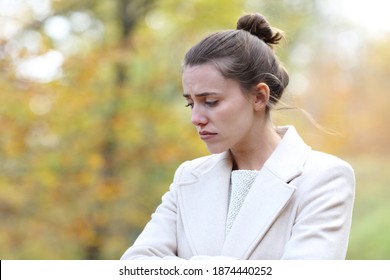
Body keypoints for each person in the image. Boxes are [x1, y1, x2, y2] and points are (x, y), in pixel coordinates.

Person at [121, 13, 355, 260]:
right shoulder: (187, 177)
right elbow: (136, 264)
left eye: (210, 101)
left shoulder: (325, 178)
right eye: (191, 104)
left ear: (259, 97)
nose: (196, 118)